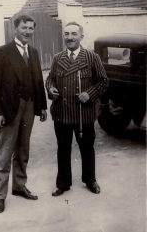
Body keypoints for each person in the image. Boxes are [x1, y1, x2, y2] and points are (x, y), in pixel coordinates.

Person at [0, 14, 47, 213]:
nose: (28, 32)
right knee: (4, 154)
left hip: (29, 107)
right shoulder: (2, 53)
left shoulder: (34, 52)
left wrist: (42, 107)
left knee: (23, 150)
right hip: (9, 110)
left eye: (31, 28)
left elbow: (38, 81)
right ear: (15, 29)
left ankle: (19, 186)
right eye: (24, 28)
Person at [45, 22, 109, 197]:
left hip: (84, 114)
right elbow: (49, 79)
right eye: (66, 34)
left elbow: (103, 81)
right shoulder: (58, 58)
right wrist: (50, 90)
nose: (70, 37)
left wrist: (90, 94)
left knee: (87, 149)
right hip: (62, 113)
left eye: (74, 34)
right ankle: (63, 184)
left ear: (81, 36)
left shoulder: (91, 57)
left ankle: (90, 180)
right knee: (63, 149)